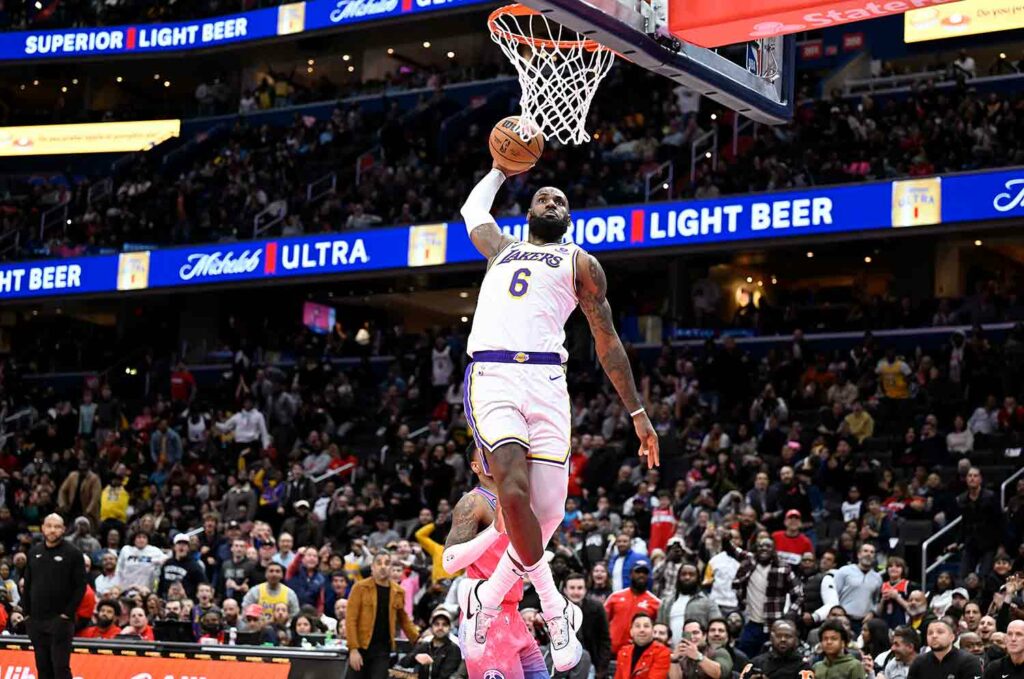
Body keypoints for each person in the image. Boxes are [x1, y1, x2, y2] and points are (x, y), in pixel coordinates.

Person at [456, 160, 660, 673]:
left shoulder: (581, 265)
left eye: (561, 201)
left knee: (548, 516)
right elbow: (472, 209)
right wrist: (501, 168)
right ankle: (553, 606)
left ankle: (491, 596)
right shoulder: (502, 249)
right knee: (513, 491)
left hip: (548, 382)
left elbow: (607, 341)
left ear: (568, 219)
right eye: (544, 197)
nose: (553, 203)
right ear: (528, 211)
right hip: (495, 376)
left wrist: (637, 411)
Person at [442, 445, 549, 679]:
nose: (495, 455)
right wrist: (494, 530)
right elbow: (449, 563)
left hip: (514, 614)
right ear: (475, 467)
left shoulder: (517, 501)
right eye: (486, 454)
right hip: (486, 618)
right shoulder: (473, 502)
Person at [23, 514, 87, 679]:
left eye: (57, 526)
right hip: (36, 620)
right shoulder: (34, 552)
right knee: (43, 669)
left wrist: (67, 614)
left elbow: (81, 587)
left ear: (64, 529)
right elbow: (27, 584)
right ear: (43, 528)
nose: (52, 530)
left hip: (60, 621)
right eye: (49, 526)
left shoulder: (73, 553)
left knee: (60, 669)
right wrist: (26, 614)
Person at [725, 536, 803, 658]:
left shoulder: (783, 568)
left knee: (771, 660)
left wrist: (791, 612)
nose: (764, 549)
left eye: (768, 546)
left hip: (774, 624)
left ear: (774, 550)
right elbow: (733, 550)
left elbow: (799, 595)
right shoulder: (750, 560)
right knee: (743, 657)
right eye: (761, 546)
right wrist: (725, 538)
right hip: (751, 622)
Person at [346, 551, 419, 679]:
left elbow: (404, 619)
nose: (383, 566)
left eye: (387, 563)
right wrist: (353, 649)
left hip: (382, 649)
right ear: (372, 567)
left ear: (391, 568)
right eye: (379, 563)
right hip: (361, 647)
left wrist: (417, 639)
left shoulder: (398, 591)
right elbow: (351, 620)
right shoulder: (359, 588)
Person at [605, 561, 662, 654]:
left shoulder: (656, 602)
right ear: (631, 574)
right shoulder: (615, 597)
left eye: (645, 573)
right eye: (638, 572)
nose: (641, 575)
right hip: (611, 651)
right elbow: (602, 621)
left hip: (638, 653)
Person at [657, 563, 722, 643]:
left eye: (691, 575)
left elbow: (717, 627)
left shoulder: (708, 602)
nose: (687, 577)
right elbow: (659, 629)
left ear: (698, 578)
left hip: (699, 652)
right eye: (684, 574)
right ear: (678, 577)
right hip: (670, 652)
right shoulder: (666, 602)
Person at [565, 572, 613, 679]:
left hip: (591, 662)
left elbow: (605, 640)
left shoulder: (597, 608)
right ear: (565, 590)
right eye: (572, 588)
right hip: (564, 664)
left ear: (585, 590)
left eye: (580, 588)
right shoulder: (558, 609)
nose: (576, 592)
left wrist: (601, 669)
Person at [395, 608, 463, 679]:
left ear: (449, 628)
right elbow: (403, 663)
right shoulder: (425, 645)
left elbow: (445, 675)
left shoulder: (454, 649)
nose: (440, 628)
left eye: (444, 624)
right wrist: (415, 657)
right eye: (436, 624)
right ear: (431, 627)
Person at [907, 618, 982, 679]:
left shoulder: (969, 661)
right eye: (930, 633)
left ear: (952, 637)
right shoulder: (919, 662)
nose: (934, 636)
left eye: (940, 632)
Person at [833, 543, 881, 635]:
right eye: (865, 551)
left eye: (872, 552)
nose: (868, 554)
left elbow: (876, 600)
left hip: (864, 622)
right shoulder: (844, 571)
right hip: (844, 619)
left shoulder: (877, 577)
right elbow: (834, 594)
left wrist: (872, 612)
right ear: (859, 554)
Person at [737, 620, 813, 678]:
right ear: (771, 638)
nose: (783, 639)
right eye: (779, 636)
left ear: (796, 640)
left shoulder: (803, 666)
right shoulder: (755, 663)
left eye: (788, 636)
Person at [614, 612, 671, 679]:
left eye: (646, 626)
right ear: (631, 632)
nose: (642, 630)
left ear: (653, 631)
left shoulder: (662, 652)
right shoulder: (623, 652)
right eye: (637, 626)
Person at [158, 533, 207, 599]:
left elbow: (203, 585)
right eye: (179, 544)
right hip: (166, 601)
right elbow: (161, 583)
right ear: (174, 547)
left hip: (185, 602)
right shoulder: (167, 563)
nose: (181, 546)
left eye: (184, 544)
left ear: (188, 548)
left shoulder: (195, 566)